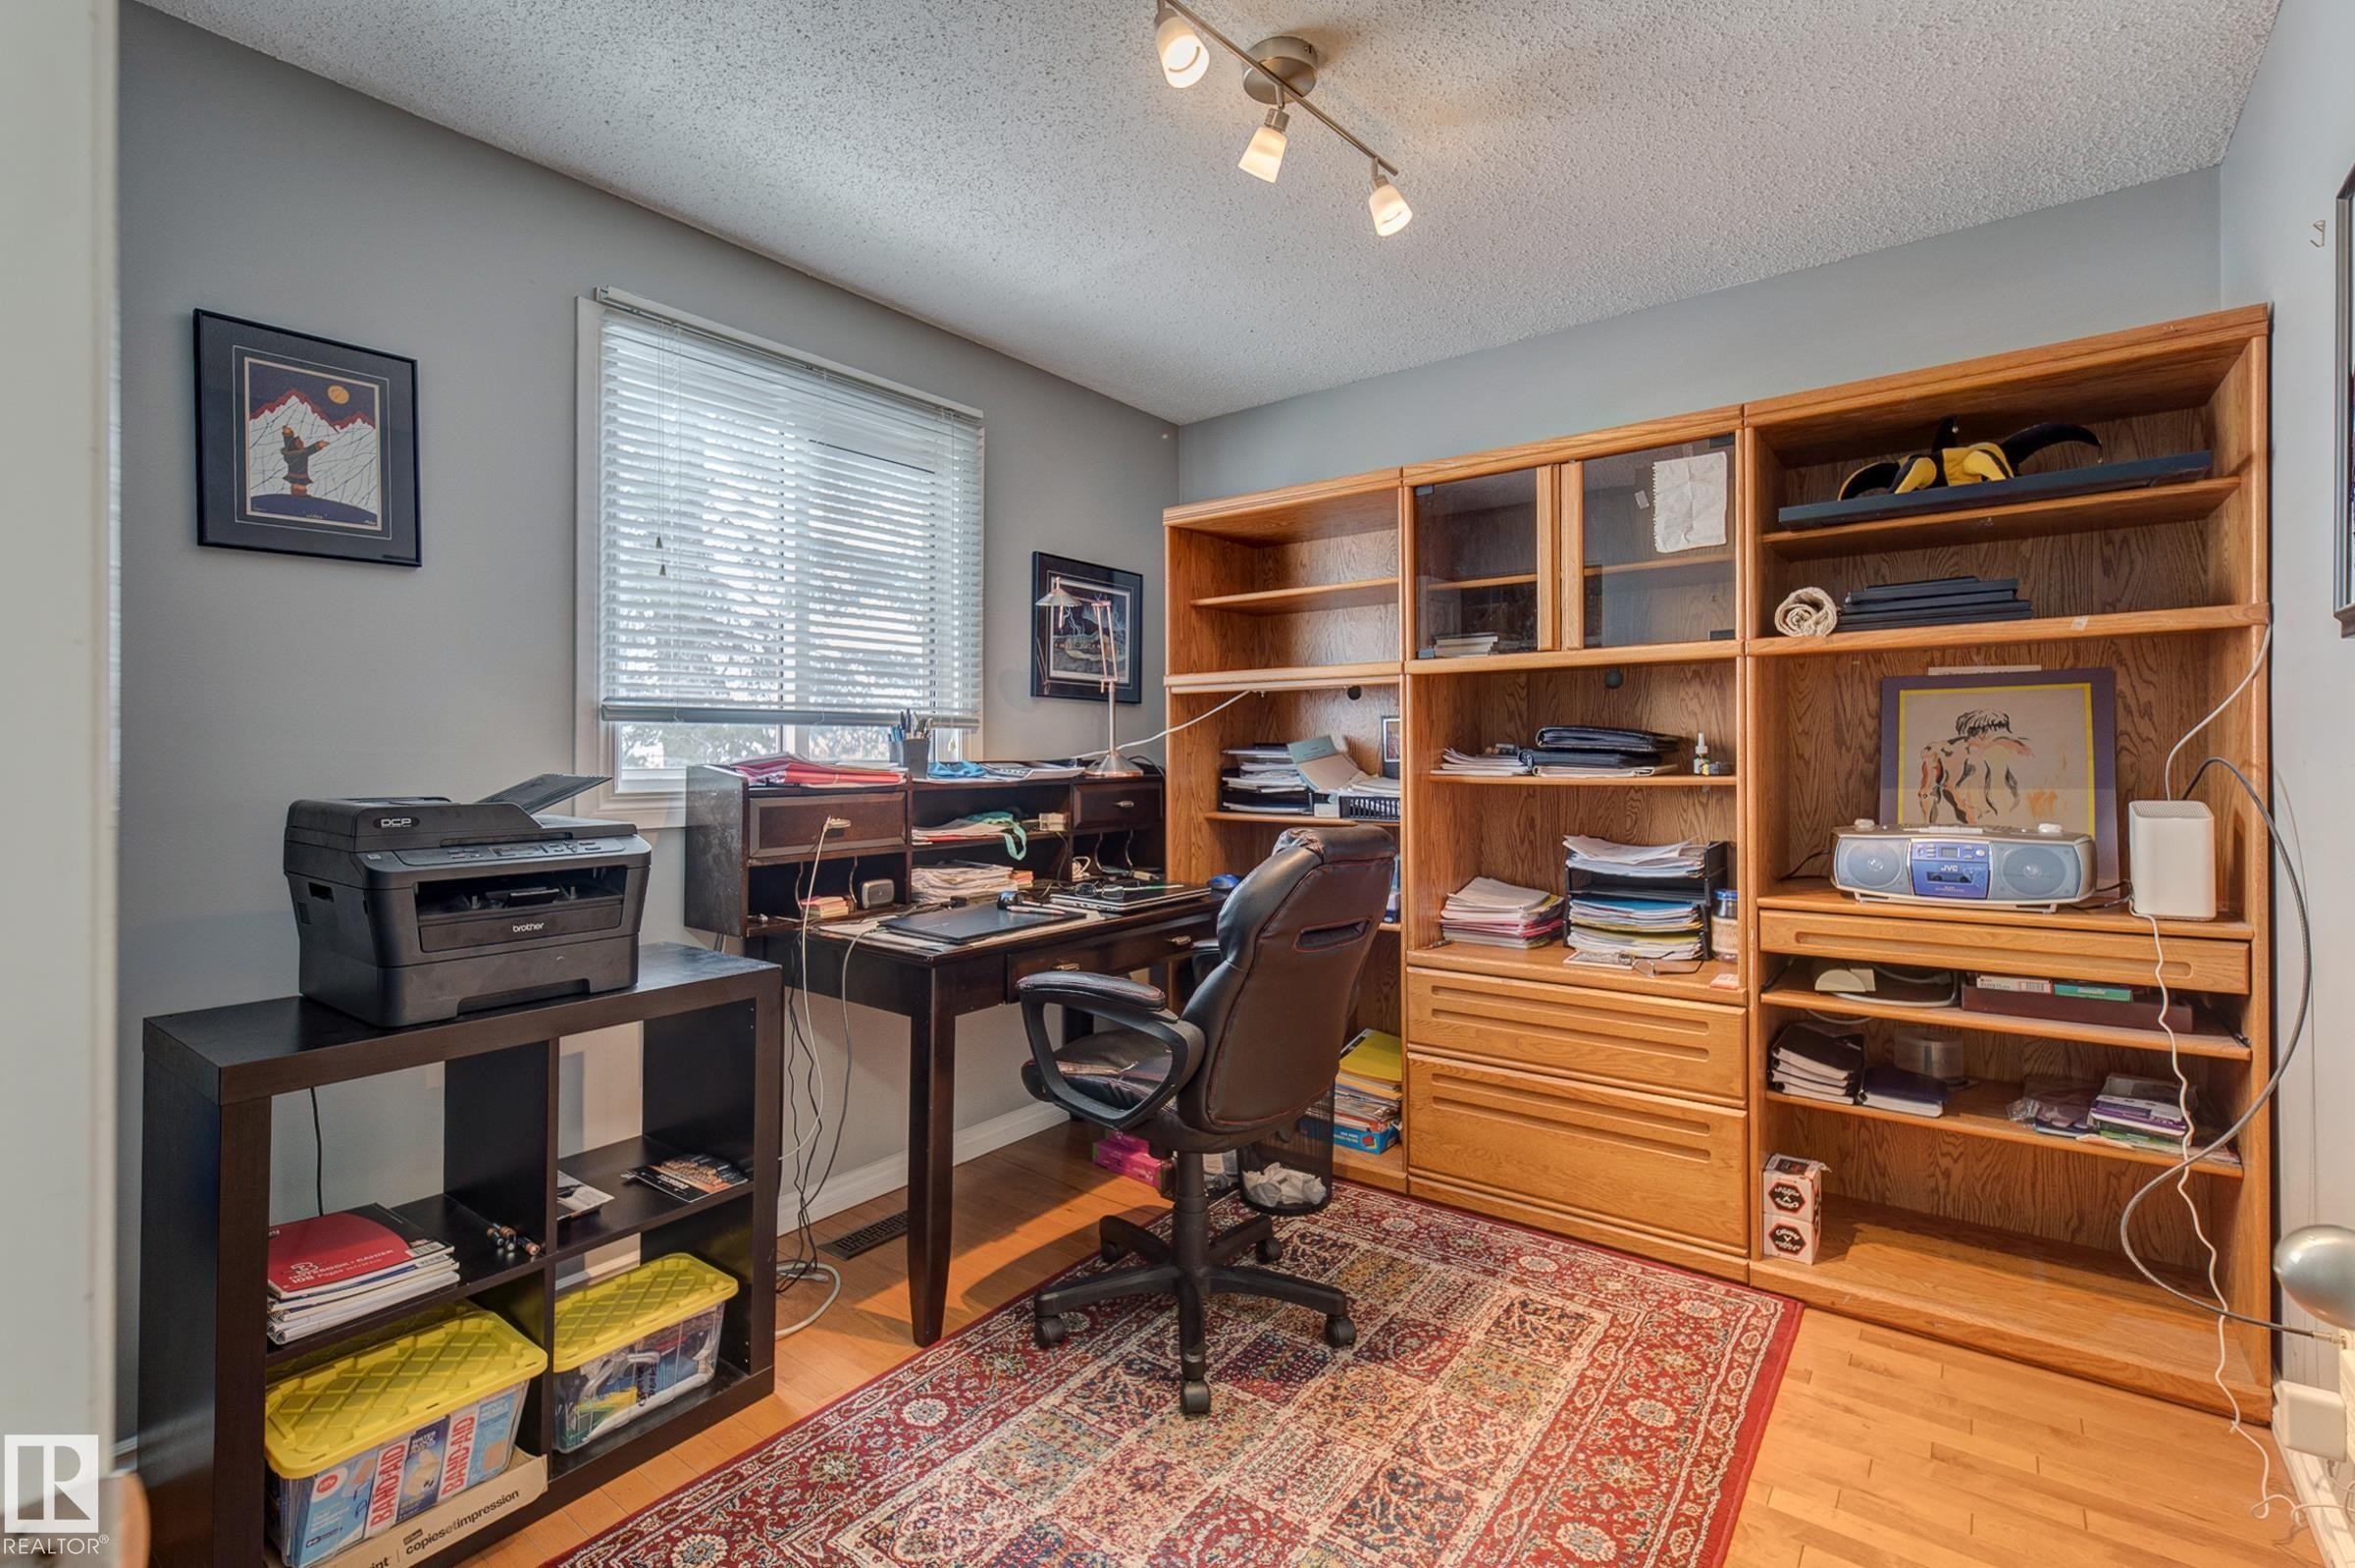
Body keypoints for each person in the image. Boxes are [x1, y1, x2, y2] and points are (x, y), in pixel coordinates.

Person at [1915, 707, 2030, 825]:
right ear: (1983, 733)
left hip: (1978, 815)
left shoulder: (1984, 749)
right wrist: (1927, 824)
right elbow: (1926, 791)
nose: (1997, 739)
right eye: (1995, 732)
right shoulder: (1941, 751)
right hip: (1952, 815)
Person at [280, 424, 330, 496]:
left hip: (293, 474)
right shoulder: (302, 453)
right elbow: (312, 449)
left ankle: (296, 494)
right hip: (301, 475)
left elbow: (288, 442)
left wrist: (287, 433)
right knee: (300, 485)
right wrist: (320, 444)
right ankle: (300, 495)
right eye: (299, 443)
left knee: (296, 484)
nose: (302, 443)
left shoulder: (288, 453)